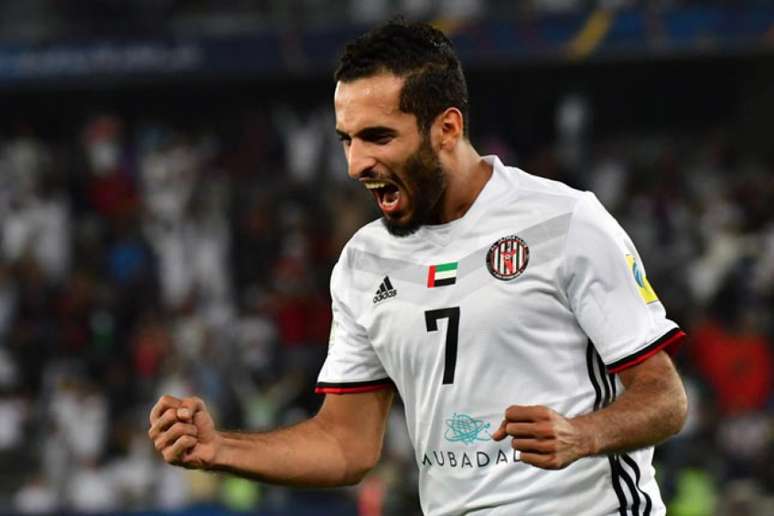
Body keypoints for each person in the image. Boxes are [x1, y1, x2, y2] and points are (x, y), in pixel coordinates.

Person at [148, 20, 688, 515]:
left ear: (447, 129)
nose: (357, 164)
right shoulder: (364, 262)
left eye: (378, 137)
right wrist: (221, 449)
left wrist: (583, 434)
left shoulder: (564, 221)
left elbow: (665, 399)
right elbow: (346, 444)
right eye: (347, 139)